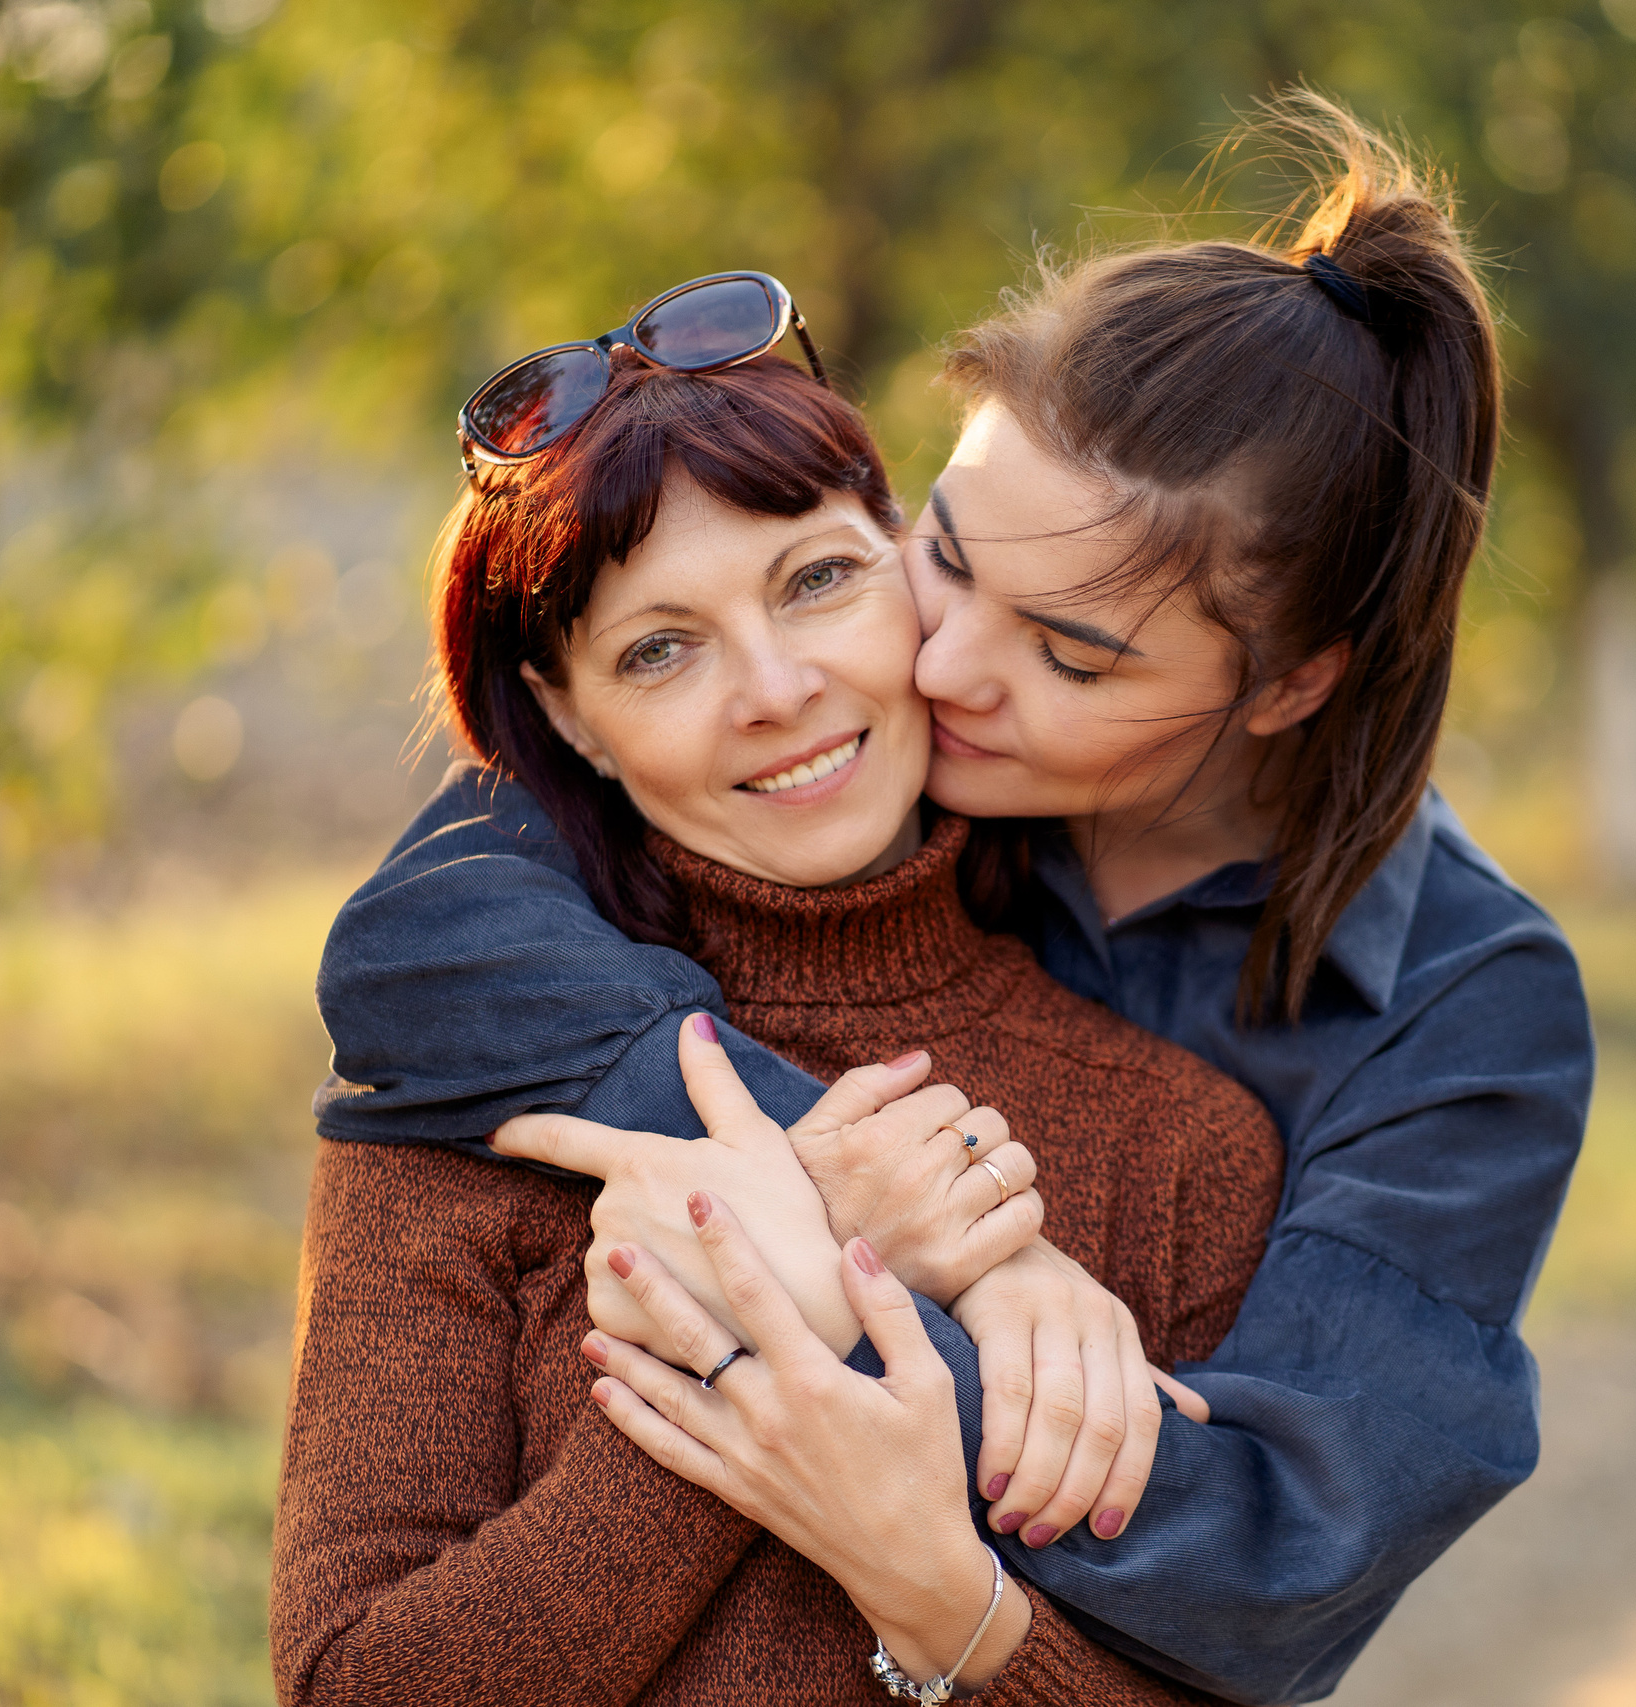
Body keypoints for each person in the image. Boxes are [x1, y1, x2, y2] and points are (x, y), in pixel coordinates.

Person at [312, 98, 1593, 1703]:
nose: (938, 662)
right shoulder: (833, 771)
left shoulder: (1459, 1009)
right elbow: (424, 944)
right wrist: (862, 1212)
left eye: (1070, 654)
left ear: (1289, 686)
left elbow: (1280, 1553)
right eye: (945, 556)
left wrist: (865, 1380)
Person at [271, 343, 1284, 1703]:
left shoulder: (1177, 1140)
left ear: (920, 574)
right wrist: (775, 1310)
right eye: (660, 648)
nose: (772, 687)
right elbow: (355, 1687)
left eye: (817, 580)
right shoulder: (481, 1098)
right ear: (569, 717)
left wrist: (942, 1599)